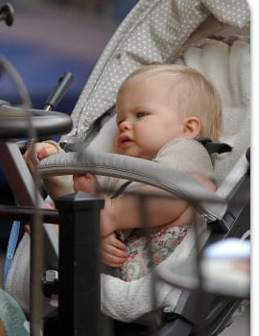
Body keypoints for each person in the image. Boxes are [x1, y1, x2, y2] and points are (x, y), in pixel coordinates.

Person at [26, 64, 221, 282]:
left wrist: (109, 216)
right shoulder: (121, 168)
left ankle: (104, 216)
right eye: (120, 121)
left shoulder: (188, 148)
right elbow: (76, 186)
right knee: (85, 191)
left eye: (141, 114)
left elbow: (183, 183)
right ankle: (75, 230)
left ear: (188, 129)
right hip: (123, 263)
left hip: (178, 259)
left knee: (192, 185)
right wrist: (53, 159)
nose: (124, 125)